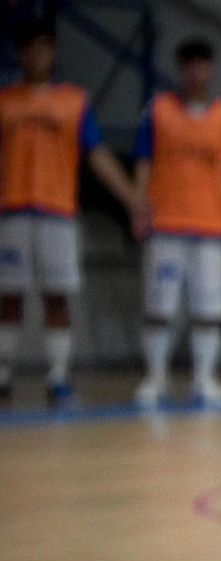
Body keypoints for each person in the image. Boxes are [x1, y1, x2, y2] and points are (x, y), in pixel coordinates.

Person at [0, 18, 141, 407]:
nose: (37, 55)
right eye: (30, 48)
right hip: (14, 210)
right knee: (9, 295)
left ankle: (58, 378)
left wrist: (132, 197)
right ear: (21, 53)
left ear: (54, 51)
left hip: (58, 212)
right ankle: (3, 373)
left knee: (57, 296)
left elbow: (97, 154)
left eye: (44, 47)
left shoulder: (74, 102)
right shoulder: (5, 101)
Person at [132, 36, 221, 409]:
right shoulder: (159, 111)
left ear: (212, 69)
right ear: (181, 69)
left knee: (209, 308)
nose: (197, 72)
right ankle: (156, 378)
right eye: (190, 64)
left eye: (203, 64)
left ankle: (204, 379)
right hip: (167, 223)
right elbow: (144, 162)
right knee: (159, 305)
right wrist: (140, 207)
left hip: (211, 225)